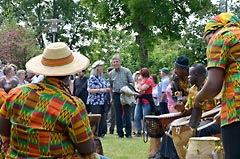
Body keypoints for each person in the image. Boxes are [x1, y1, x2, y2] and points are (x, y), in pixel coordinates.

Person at [0, 42, 108, 159]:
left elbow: (4, 130)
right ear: (69, 72)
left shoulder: (16, 94)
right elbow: (87, 148)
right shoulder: (71, 105)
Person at [190, 12, 240, 159]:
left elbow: (213, 85)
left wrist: (198, 99)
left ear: (212, 31)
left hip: (236, 110)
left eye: (207, 39)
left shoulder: (221, 37)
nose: (208, 43)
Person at [109, 54, 134, 138]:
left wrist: (126, 88)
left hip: (125, 94)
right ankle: (120, 133)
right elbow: (110, 86)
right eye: (114, 62)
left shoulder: (126, 71)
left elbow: (132, 82)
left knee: (127, 114)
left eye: (117, 61)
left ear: (120, 62)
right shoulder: (111, 73)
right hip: (116, 94)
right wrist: (111, 97)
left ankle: (128, 133)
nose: (115, 63)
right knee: (117, 114)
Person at [87, 60, 109, 138]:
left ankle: (101, 132)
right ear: (97, 68)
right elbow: (89, 89)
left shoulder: (102, 77)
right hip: (94, 101)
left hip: (102, 100)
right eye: (101, 66)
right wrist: (100, 90)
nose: (102, 68)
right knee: (96, 117)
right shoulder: (92, 78)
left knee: (103, 116)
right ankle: (94, 132)